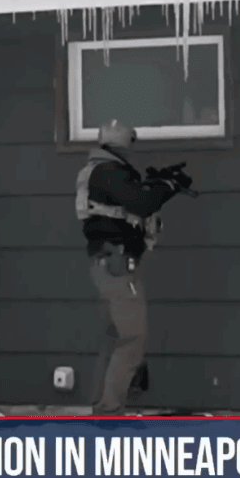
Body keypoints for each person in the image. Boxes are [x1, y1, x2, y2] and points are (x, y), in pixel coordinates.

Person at [75, 119, 183, 416]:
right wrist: (168, 186)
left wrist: (157, 184)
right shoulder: (109, 171)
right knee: (133, 337)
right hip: (118, 263)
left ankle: (101, 407)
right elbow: (141, 203)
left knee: (115, 337)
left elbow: (127, 200)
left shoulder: (99, 171)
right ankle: (109, 412)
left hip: (108, 262)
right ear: (125, 143)